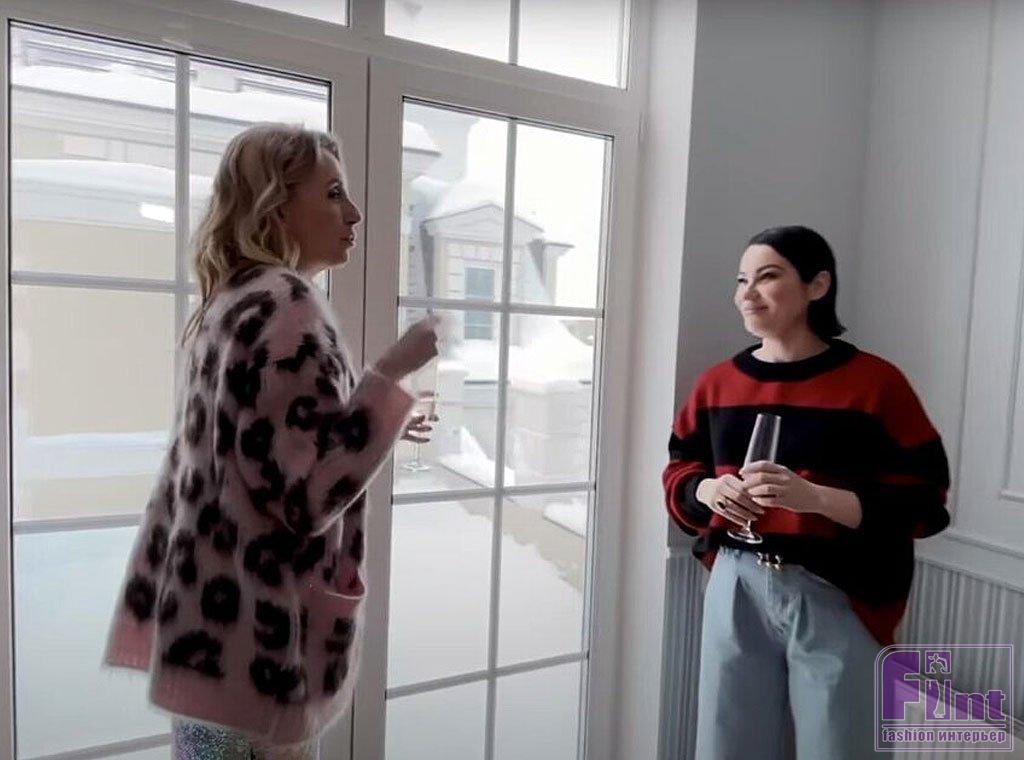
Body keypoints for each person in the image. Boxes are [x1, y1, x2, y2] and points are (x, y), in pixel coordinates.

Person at [105, 123, 438, 759]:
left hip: (207, 633)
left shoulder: (230, 301)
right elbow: (303, 501)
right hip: (259, 651)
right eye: (333, 194)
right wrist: (389, 374)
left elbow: (260, 454)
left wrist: (379, 417)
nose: (354, 213)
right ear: (276, 206)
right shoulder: (287, 305)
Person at [662, 225, 950, 759]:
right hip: (734, 582)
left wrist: (816, 498)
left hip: (839, 591)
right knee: (728, 747)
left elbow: (927, 501)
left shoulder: (877, 385)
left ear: (818, 285)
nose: (747, 294)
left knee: (842, 747)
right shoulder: (716, 384)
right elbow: (680, 469)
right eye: (742, 280)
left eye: (767, 277)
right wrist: (708, 491)